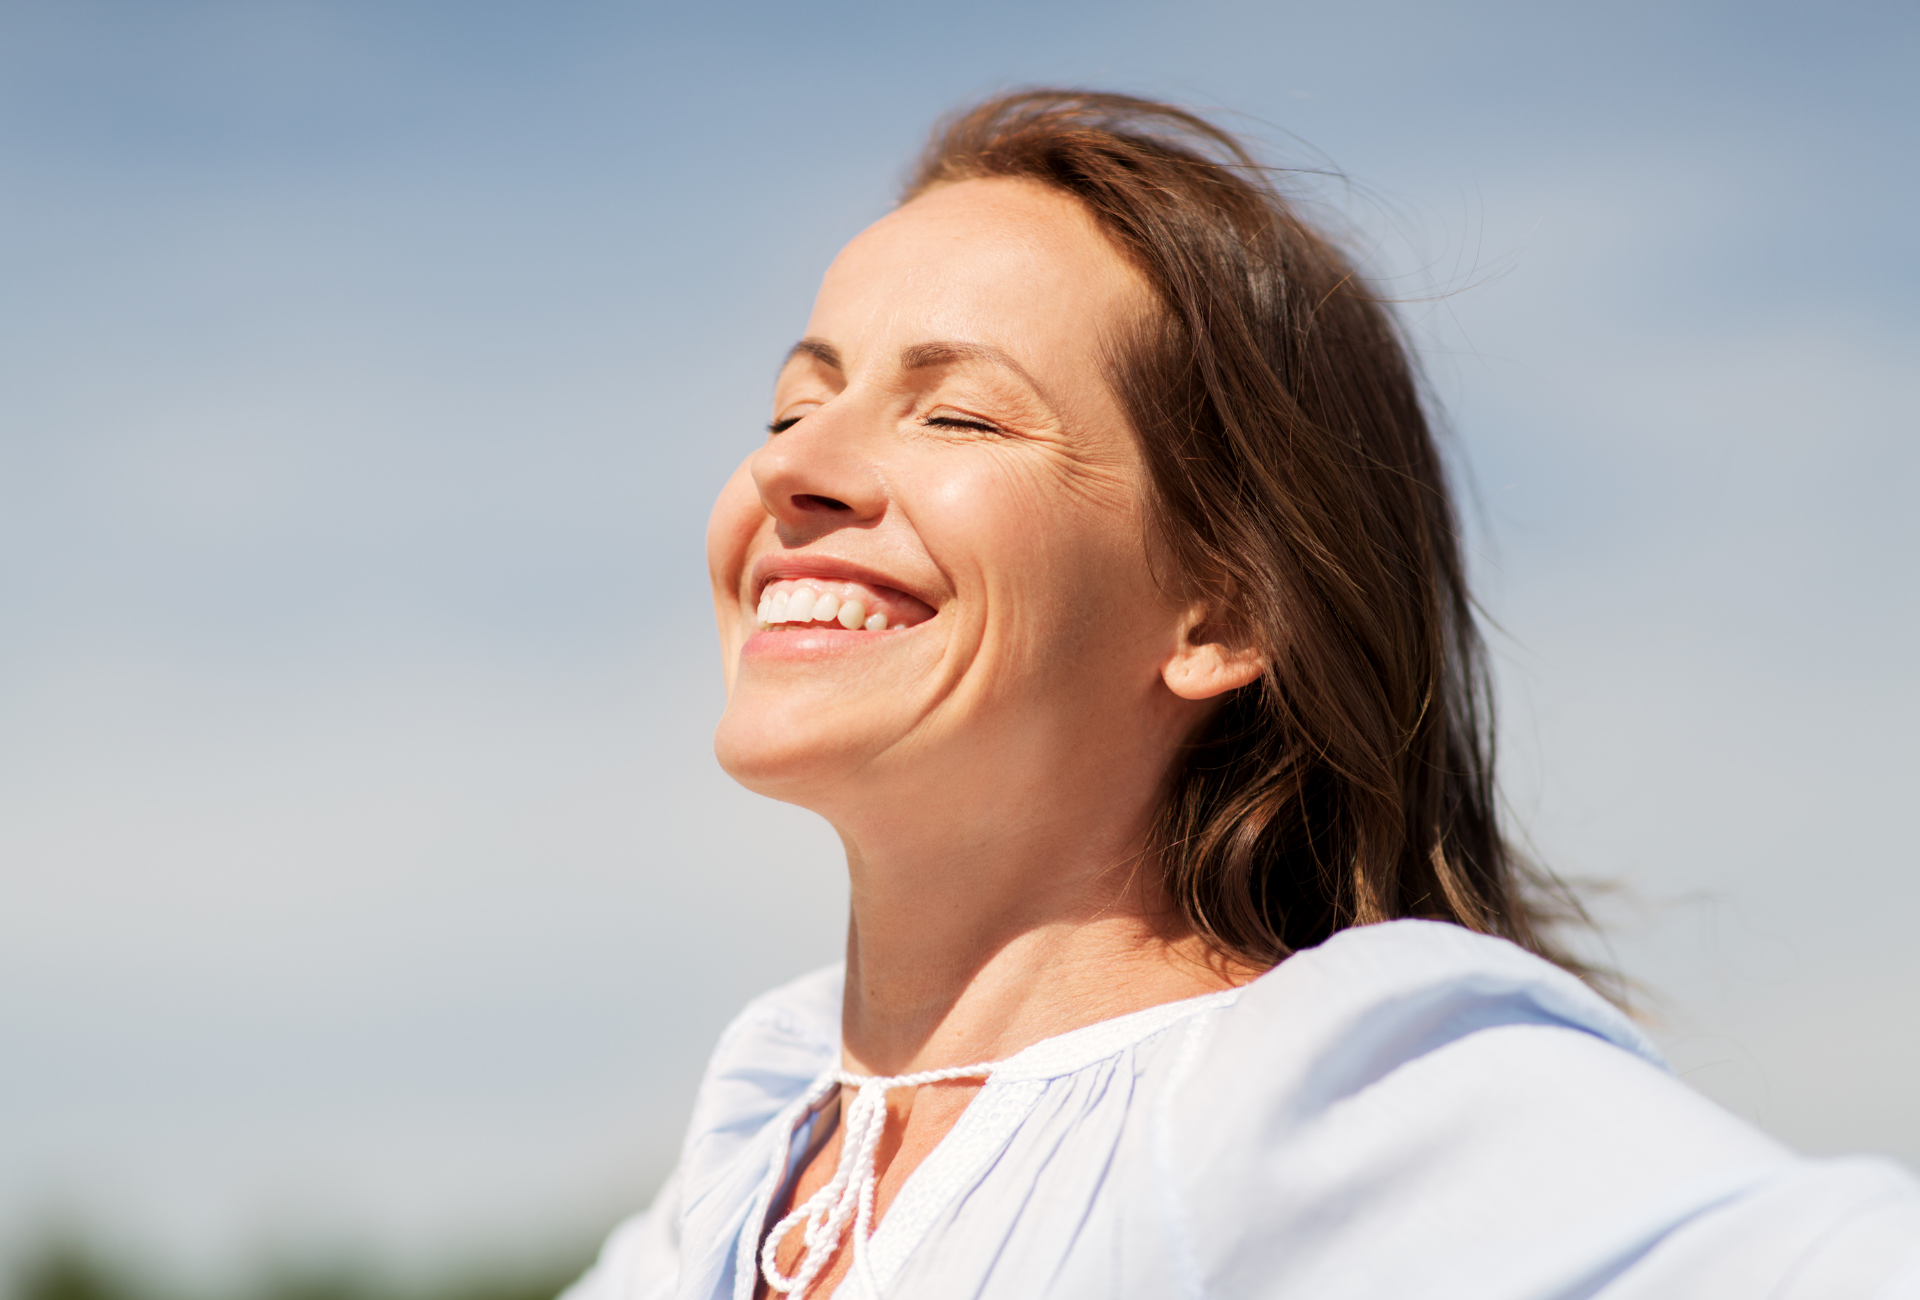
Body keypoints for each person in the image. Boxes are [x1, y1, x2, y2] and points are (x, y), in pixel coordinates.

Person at [563, 90, 1920, 1300]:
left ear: (1223, 609)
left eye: (960, 415)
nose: (795, 472)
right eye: (794, 410)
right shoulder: (755, 1149)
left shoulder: (1299, 1090)